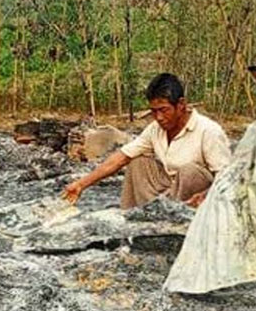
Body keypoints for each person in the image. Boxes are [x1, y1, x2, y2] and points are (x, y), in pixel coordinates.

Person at [62, 73, 232, 209]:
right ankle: (136, 215)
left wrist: (205, 196)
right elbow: (121, 157)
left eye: (164, 110)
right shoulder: (155, 129)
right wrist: (81, 184)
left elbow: (228, 179)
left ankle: (172, 215)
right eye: (154, 111)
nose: (159, 117)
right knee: (138, 161)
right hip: (169, 187)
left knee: (189, 171)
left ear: (181, 105)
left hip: (199, 194)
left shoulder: (209, 130)